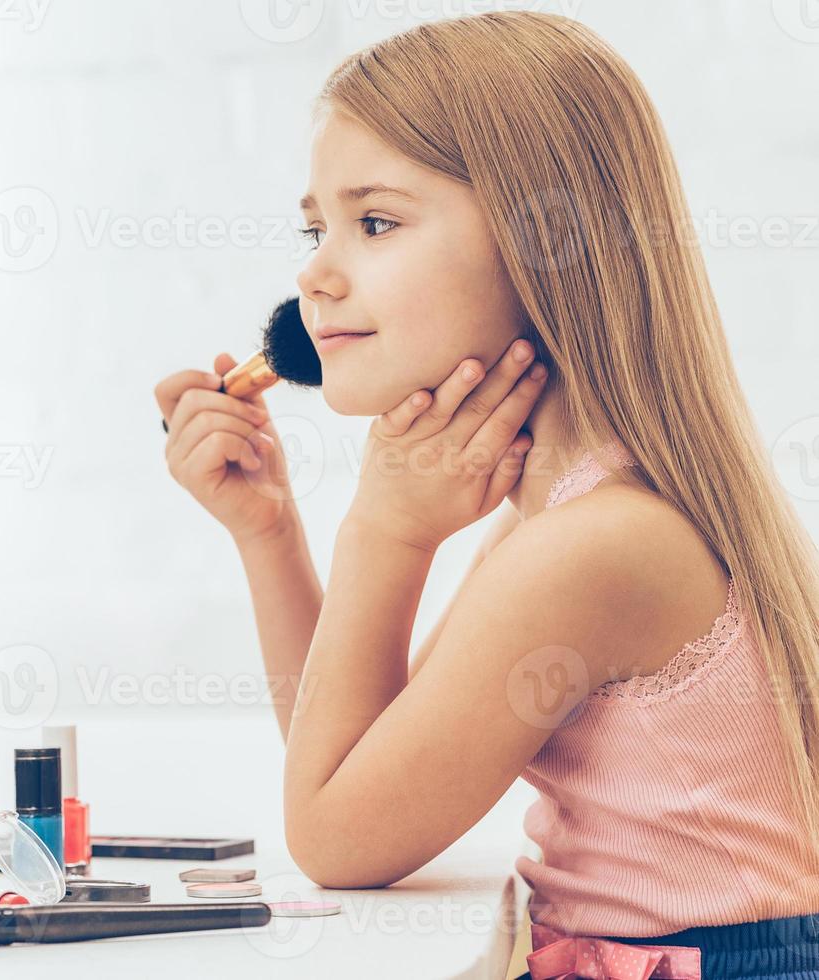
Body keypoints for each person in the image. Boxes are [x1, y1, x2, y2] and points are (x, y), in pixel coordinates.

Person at [154, 12, 819, 978]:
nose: (313, 272)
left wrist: (385, 533)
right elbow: (353, 760)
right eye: (315, 227)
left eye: (373, 222)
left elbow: (340, 839)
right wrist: (269, 533)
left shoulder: (596, 547)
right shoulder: (554, 514)